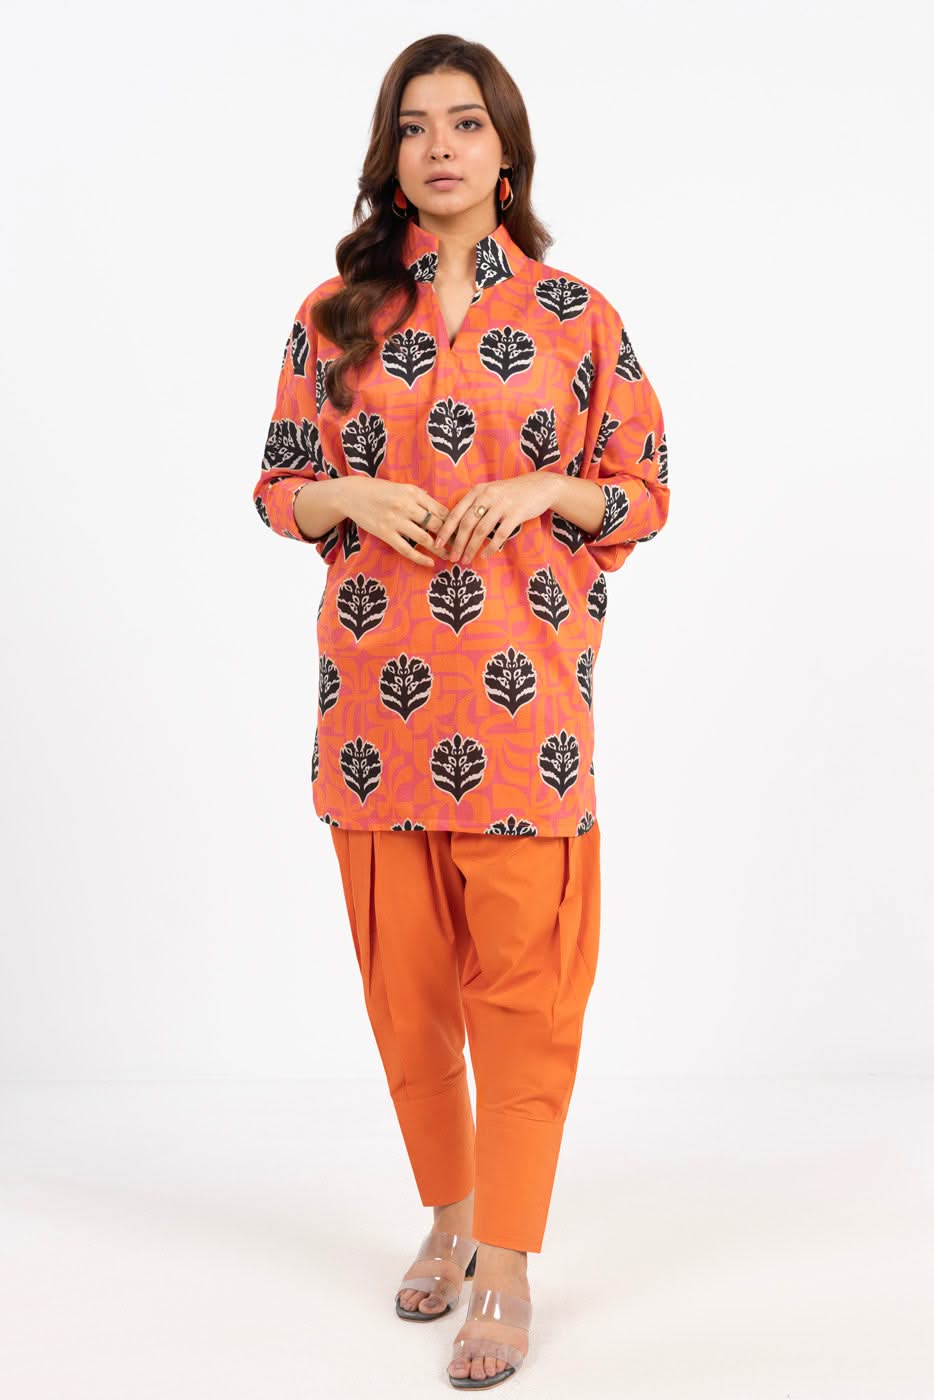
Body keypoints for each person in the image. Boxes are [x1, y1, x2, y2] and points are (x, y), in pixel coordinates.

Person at [252, 33, 670, 1391]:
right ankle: (447, 1211)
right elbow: (277, 486)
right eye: (416, 125)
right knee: (409, 996)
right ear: (390, 155)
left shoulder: (575, 317)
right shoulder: (334, 317)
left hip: (522, 708)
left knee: (525, 995)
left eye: (467, 122)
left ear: (506, 152)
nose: (441, 146)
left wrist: (546, 489)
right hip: (376, 715)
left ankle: (508, 1256)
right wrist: (347, 496)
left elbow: (643, 490)